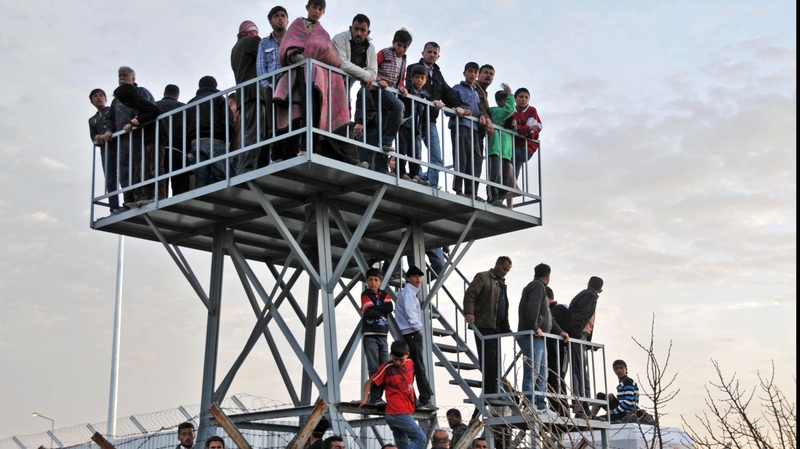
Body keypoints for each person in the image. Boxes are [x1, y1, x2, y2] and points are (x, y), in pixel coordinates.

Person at [273, 0, 351, 160]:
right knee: (300, 110)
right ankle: (300, 148)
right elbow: (287, 48)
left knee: (315, 108)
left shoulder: (323, 33)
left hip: (318, 77)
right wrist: (303, 59)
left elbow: (332, 57)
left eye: (320, 8)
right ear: (307, 8)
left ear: (323, 12)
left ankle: (312, 147)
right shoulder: (296, 26)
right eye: (314, 7)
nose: (317, 11)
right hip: (299, 73)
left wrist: (314, 62)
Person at [98, 66, 156, 207]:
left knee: (140, 168)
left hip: (140, 137)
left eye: (125, 75)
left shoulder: (141, 92)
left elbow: (150, 110)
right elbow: (109, 119)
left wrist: (136, 121)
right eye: (120, 76)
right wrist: (108, 131)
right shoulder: (116, 99)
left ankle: (141, 196)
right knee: (125, 171)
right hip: (122, 141)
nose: (122, 78)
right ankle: (128, 200)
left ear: (133, 78)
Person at [516, 263, 569, 418]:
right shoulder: (538, 287)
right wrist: (535, 327)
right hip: (532, 335)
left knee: (541, 374)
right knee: (532, 372)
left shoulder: (536, 287)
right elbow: (532, 308)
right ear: (548, 276)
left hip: (538, 336)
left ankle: (540, 405)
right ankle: (530, 405)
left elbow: (548, 317)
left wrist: (560, 332)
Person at [404, 42, 460, 189]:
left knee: (436, 155)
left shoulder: (438, 74)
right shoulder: (413, 68)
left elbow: (447, 92)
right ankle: (418, 177)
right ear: (423, 53)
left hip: (430, 120)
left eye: (435, 53)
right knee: (416, 150)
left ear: (438, 56)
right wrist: (431, 100)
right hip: (415, 117)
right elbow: (412, 88)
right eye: (429, 52)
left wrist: (458, 106)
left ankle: (432, 183)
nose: (432, 55)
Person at [359, 340, 426, 449]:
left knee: (402, 445)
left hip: (402, 411)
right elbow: (370, 382)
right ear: (391, 355)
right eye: (395, 359)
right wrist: (364, 398)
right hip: (397, 411)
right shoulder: (387, 367)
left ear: (407, 355)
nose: (398, 363)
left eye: (401, 360)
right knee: (420, 439)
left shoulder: (410, 363)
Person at [110, 82, 167, 206]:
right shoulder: (137, 104)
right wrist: (134, 122)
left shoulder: (139, 101)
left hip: (156, 138)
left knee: (155, 167)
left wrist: (138, 121)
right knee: (147, 169)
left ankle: (160, 196)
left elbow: (155, 110)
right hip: (149, 138)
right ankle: (147, 195)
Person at [463, 256, 512, 395]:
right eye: (503, 268)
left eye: (507, 270)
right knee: (489, 360)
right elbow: (470, 295)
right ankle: (490, 391)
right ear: (497, 264)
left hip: (496, 327)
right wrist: (469, 312)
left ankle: (495, 388)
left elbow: (503, 306)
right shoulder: (483, 277)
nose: (504, 272)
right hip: (484, 324)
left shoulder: (501, 283)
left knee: (495, 360)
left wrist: (506, 327)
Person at [395, 265, 434, 409]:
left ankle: (414, 398)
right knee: (418, 367)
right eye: (414, 276)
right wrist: (419, 329)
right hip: (411, 333)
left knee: (414, 367)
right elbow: (411, 313)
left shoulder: (408, 293)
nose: (418, 278)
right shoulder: (409, 294)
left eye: (420, 276)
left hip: (409, 333)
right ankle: (424, 399)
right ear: (408, 278)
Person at [185, 76, 236, 188]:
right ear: (214, 86)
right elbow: (228, 120)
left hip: (195, 142)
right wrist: (228, 138)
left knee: (201, 180)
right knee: (223, 177)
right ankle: (227, 201)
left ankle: (201, 203)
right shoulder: (219, 99)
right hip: (215, 140)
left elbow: (186, 126)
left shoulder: (191, 103)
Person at [449, 62, 489, 200]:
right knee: (462, 157)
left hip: (475, 129)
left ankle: (472, 192)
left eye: (475, 72)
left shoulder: (478, 93)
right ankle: (459, 189)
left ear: (477, 75)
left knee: (476, 160)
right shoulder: (457, 88)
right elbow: (450, 105)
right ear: (464, 73)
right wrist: (458, 108)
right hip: (461, 125)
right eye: (470, 71)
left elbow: (480, 109)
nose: (472, 74)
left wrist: (483, 116)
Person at [231, 19, 266, 173]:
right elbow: (268, 55)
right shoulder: (253, 41)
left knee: (247, 134)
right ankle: (246, 169)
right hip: (254, 94)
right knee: (255, 133)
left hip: (242, 97)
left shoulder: (235, 48)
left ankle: (245, 167)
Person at [255, 6, 288, 165]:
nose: (280, 18)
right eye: (276, 16)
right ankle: (276, 157)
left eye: (283, 16)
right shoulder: (264, 43)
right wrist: (267, 86)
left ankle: (291, 153)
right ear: (270, 21)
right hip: (272, 87)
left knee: (292, 119)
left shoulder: (293, 39)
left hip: (291, 85)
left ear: (287, 20)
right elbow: (261, 68)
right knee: (273, 123)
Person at [567, 276, 603, 418]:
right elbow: (580, 317)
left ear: (588, 283)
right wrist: (577, 336)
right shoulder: (590, 296)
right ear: (601, 290)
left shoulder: (587, 294)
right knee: (580, 372)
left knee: (581, 371)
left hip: (581, 337)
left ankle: (583, 407)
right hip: (578, 337)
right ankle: (582, 407)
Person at [360, 267, 393, 404]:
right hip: (370, 335)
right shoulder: (365, 294)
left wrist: (374, 309)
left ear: (380, 281)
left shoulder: (385, 294)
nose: (373, 282)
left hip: (383, 335)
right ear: (366, 281)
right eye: (370, 280)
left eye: (376, 280)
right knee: (374, 368)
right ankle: (375, 398)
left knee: (385, 367)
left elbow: (389, 308)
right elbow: (368, 312)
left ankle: (384, 397)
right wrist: (379, 310)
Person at [89, 88, 121, 214]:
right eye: (95, 96)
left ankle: (128, 202)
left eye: (101, 95)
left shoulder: (111, 111)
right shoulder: (92, 120)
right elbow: (93, 137)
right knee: (110, 179)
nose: (99, 98)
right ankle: (114, 207)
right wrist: (97, 138)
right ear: (92, 101)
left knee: (124, 175)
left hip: (118, 146)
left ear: (105, 98)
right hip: (105, 151)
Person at [397, 65, 430, 185]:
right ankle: (402, 173)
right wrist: (402, 90)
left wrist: (425, 132)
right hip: (404, 124)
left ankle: (415, 174)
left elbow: (425, 117)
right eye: (416, 77)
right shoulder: (406, 90)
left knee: (415, 152)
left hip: (416, 128)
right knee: (402, 150)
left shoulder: (425, 96)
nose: (419, 80)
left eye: (422, 78)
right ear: (411, 78)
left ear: (426, 80)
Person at [156, 84, 191, 196]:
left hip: (159, 149)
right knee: (180, 185)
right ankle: (181, 208)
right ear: (177, 95)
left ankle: (160, 207)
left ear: (164, 94)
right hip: (179, 149)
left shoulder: (155, 106)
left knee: (160, 184)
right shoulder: (184, 108)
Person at [486, 85, 515, 207]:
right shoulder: (496, 111)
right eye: (505, 100)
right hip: (496, 149)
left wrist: (514, 125)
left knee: (505, 179)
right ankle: (493, 197)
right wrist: (510, 94)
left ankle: (500, 199)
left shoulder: (506, 116)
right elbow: (509, 110)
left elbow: (513, 128)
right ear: (499, 102)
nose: (508, 102)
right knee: (495, 174)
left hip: (506, 151)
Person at [332, 14, 378, 89]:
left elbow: (373, 74)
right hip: (329, 83)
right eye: (356, 29)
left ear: (368, 33)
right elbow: (342, 64)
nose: (358, 33)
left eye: (363, 30)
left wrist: (366, 75)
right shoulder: (339, 39)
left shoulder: (371, 48)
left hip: (345, 89)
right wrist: (366, 75)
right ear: (350, 28)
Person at [546, 286, 571, 415]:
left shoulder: (560, 308)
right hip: (550, 351)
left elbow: (569, 327)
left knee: (558, 378)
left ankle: (562, 411)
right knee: (551, 379)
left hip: (560, 350)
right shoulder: (546, 311)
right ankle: (555, 408)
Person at [510, 88, 542, 192]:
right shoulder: (511, 111)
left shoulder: (531, 110)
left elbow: (531, 132)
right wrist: (523, 129)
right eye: (521, 97)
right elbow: (509, 126)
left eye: (526, 97)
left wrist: (517, 128)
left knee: (505, 158)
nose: (524, 99)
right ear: (515, 99)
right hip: (515, 145)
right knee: (513, 169)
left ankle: (512, 187)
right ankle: (510, 195)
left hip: (527, 147)